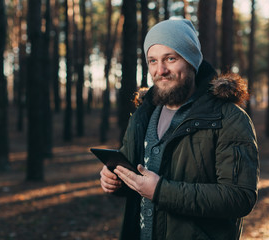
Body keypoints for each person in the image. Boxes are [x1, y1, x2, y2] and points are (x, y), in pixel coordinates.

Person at [100, 19, 259, 240]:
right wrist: (115, 180)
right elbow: (137, 180)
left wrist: (160, 191)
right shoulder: (142, 116)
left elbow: (239, 198)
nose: (160, 70)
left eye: (170, 59)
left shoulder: (228, 119)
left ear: (192, 61)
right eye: (152, 61)